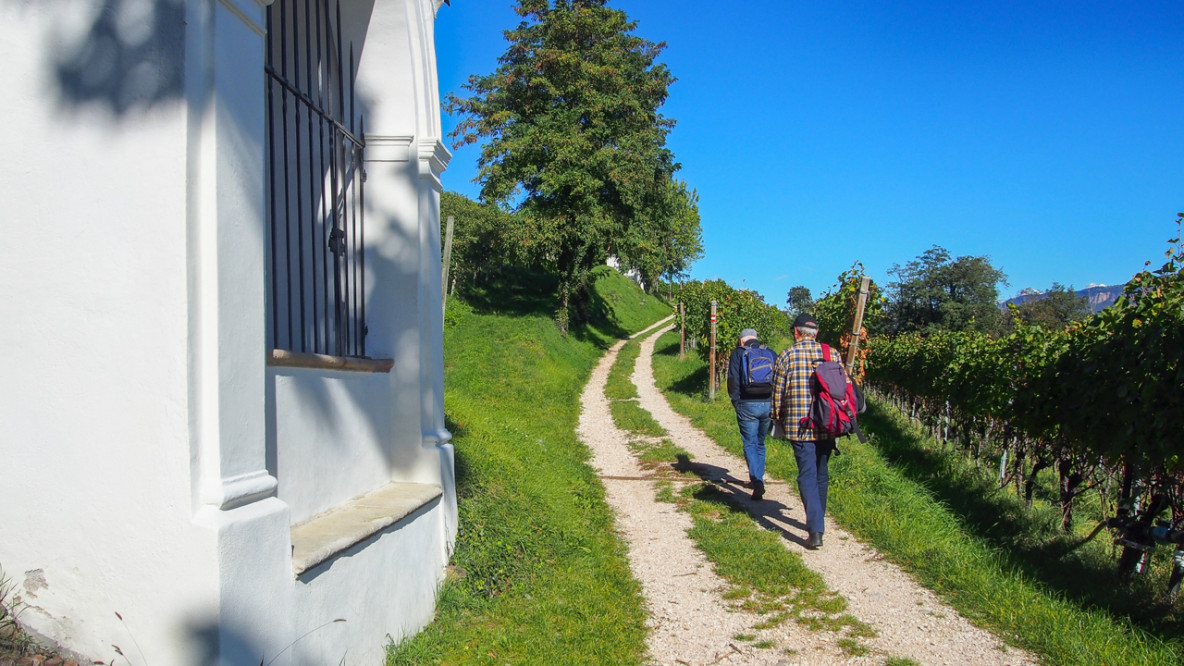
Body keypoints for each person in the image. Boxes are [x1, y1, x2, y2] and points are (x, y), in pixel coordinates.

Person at [771, 313, 834, 549]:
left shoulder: (787, 355)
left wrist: (777, 417)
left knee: (806, 474)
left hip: (800, 426)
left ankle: (815, 530)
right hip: (828, 424)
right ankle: (818, 517)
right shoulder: (831, 353)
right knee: (821, 473)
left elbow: (777, 393)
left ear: (796, 332)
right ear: (815, 333)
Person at [726, 328, 776, 500]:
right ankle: (758, 477)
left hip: (747, 404)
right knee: (760, 443)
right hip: (768, 403)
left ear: (741, 341)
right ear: (755, 338)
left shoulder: (738, 353)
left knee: (749, 443)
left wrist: (736, 401)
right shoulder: (770, 352)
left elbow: (732, 380)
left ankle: (757, 481)